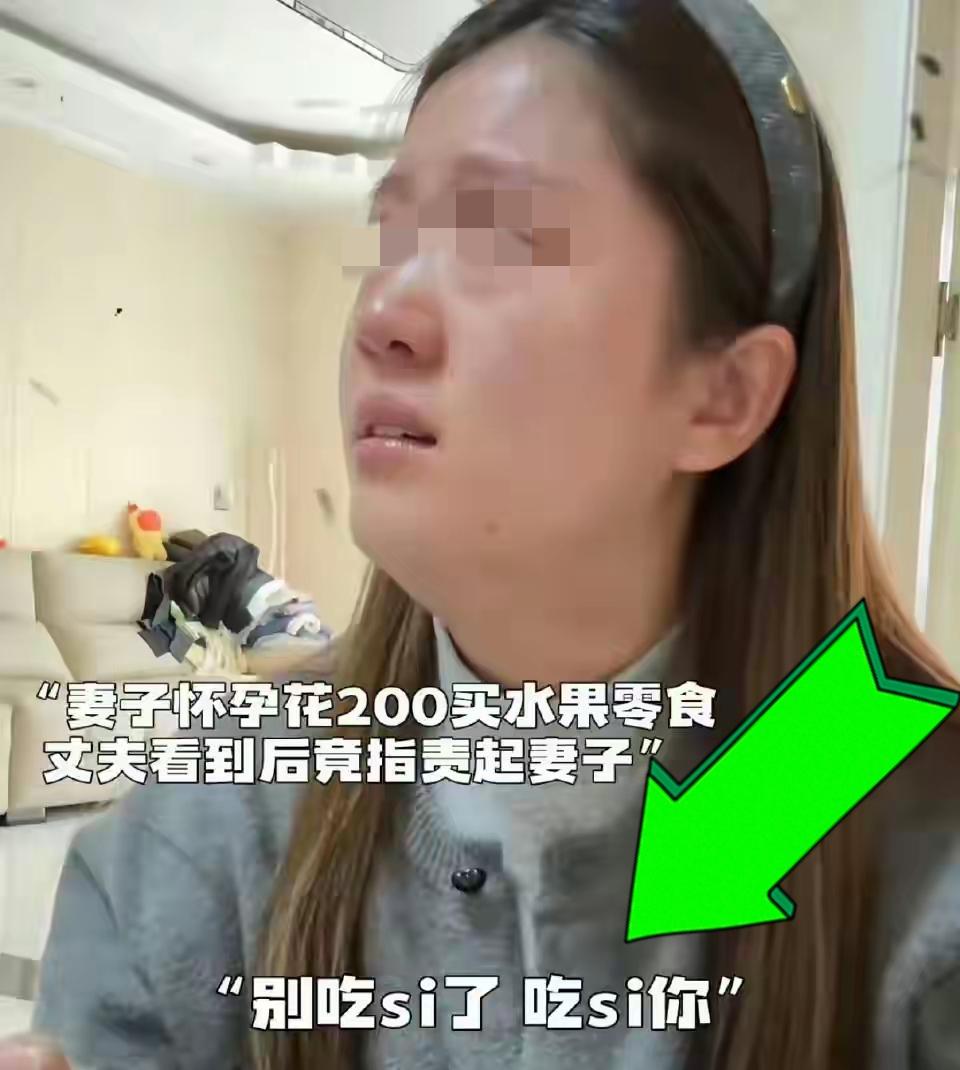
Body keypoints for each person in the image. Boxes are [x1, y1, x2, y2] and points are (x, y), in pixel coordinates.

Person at [3, 1, 959, 1068]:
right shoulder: (212, 824)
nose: (381, 317)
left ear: (724, 395)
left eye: (503, 242)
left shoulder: (918, 854)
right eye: (393, 241)